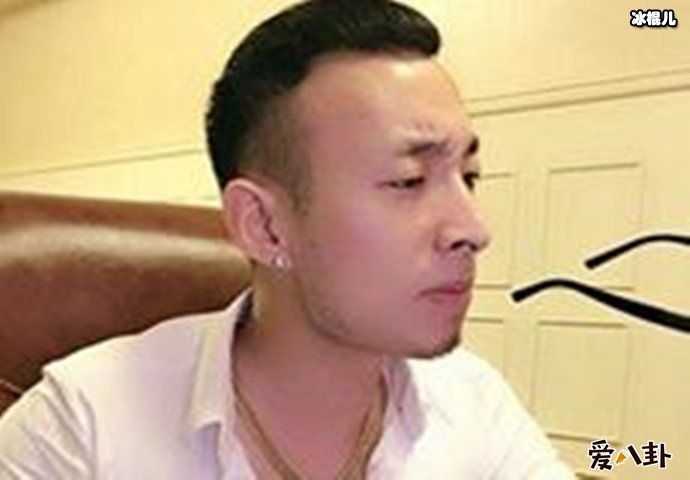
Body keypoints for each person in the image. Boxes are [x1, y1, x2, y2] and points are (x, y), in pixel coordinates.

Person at [0, 1, 574, 478]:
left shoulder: (474, 403)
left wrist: (628, 453)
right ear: (263, 225)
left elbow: (591, 461)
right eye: (408, 181)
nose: (473, 229)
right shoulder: (79, 431)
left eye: (469, 177)